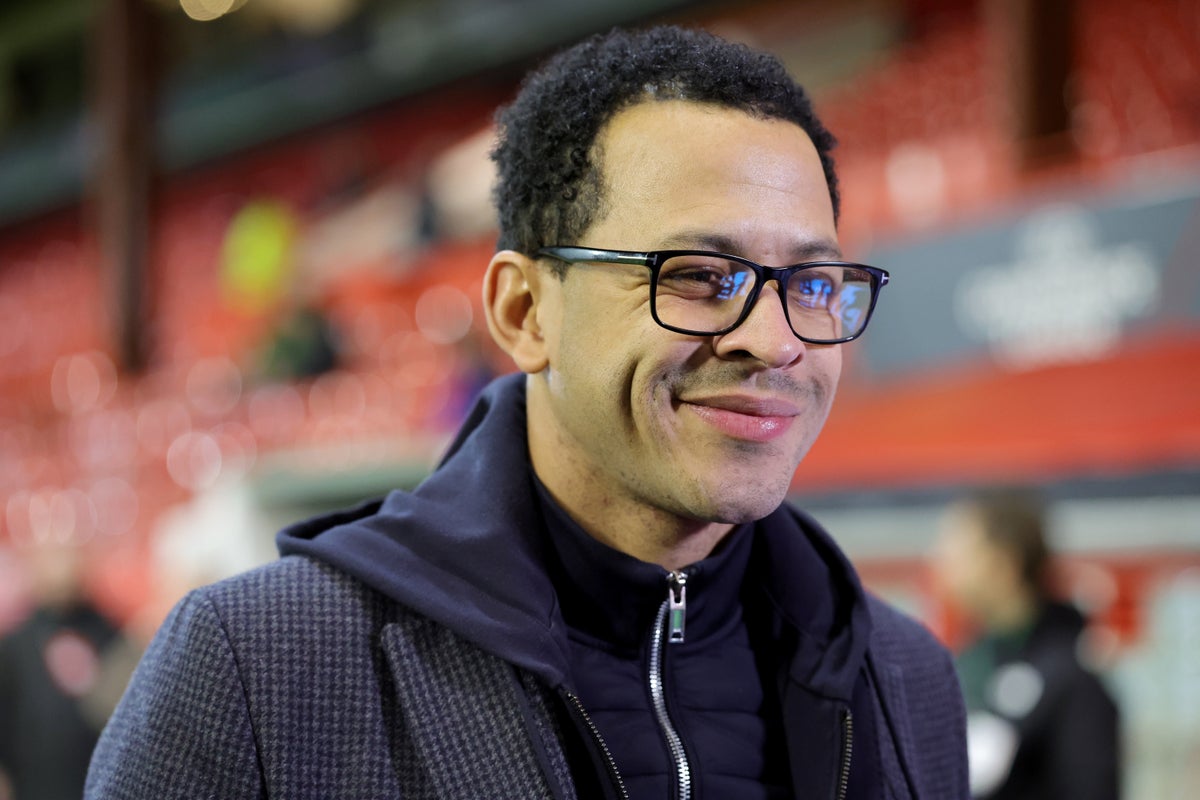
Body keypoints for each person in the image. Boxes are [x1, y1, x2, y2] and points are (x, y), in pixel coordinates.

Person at [86, 25, 968, 799]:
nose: (774, 342)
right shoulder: (257, 668)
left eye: (812, 284)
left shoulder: (906, 677)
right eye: (701, 277)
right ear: (524, 313)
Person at [934, 488, 1120, 800]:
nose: (943, 563)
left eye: (959, 551)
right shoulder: (966, 663)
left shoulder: (1072, 676)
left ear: (1004, 563)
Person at [0, 541, 131, 800]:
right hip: (33, 785)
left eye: (68, 557)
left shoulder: (110, 635)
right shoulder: (15, 645)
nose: (61, 569)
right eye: (52, 558)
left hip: (97, 782)